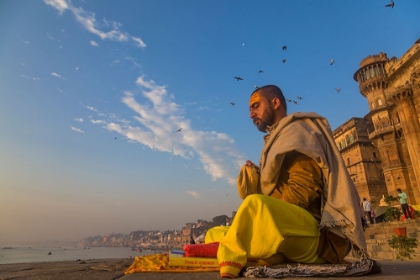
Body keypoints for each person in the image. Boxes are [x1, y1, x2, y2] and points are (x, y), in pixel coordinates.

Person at [205, 85, 371, 278]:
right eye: (251, 109)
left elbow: (303, 192)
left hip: (315, 237)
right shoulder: (276, 140)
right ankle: (268, 254)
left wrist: (262, 214)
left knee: (254, 204)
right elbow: (276, 188)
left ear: (275, 103)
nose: (251, 114)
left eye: (256, 106)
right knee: (214, 233)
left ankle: (237, 260)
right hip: (287, 231)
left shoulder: (298, 132)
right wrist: (257, 175)